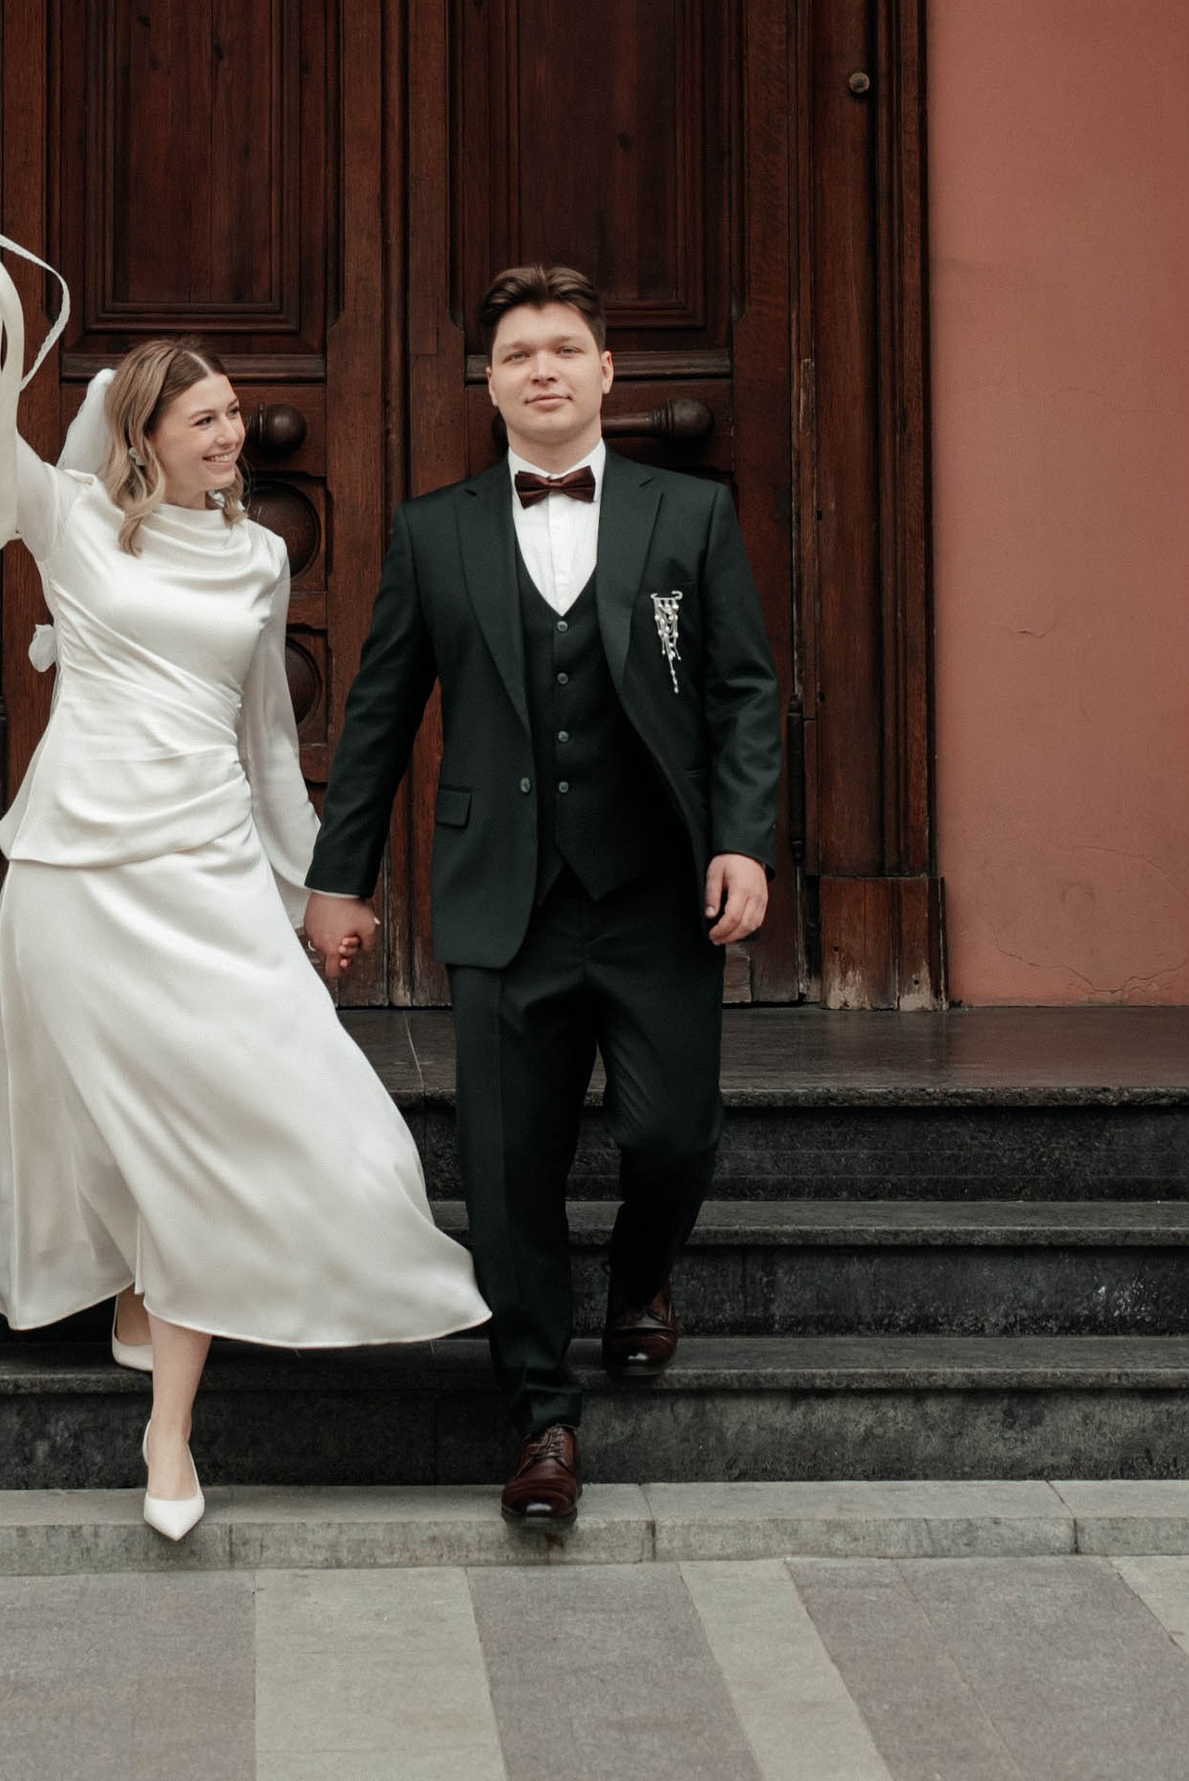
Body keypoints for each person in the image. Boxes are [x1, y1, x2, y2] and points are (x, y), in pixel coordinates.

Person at [0, 175, 485, 1541]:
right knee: (133, 1107)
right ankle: (166, 1414)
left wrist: (316, 885)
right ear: (144, 434)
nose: (235, 433)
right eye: (206, 418)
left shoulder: (262, 558)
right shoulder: (69, 521)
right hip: (83, 871)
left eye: (234, 419)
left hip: (209, 868)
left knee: (261, 1090)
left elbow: (269, 735)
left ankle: (187, 1337)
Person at [302, 264, 783, 1531]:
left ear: (608, 371)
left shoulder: (691, 516)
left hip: (654, 890)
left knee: (672, 1132)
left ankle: (638, 1277)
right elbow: (377, 720)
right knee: (508, 1175)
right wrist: (338, 881)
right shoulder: (434, 530)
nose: (544, 370)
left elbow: (741, 690)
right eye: (518, 354)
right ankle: (541, 1422)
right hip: (498, 899)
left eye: (566, 347)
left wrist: (743, 842)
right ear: (493, 383)